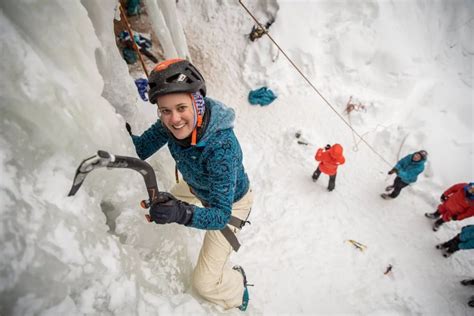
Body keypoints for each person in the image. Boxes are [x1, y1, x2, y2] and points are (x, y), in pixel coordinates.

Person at [126, 59, 253, 311]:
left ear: (198, 103)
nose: (174, 119)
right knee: (166, 203)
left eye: (181, 107)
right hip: (196, 185)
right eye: (165, 111)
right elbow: (140, 148)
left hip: (231, 203)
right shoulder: (169, 125)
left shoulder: (221, 148)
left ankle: (237, 286)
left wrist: (181, 212)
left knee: (204, 283)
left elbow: (219, 215)